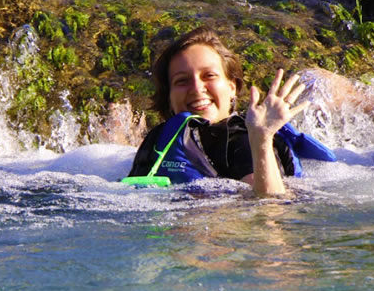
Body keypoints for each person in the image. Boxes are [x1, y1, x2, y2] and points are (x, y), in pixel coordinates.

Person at [125, 27, 335, 196]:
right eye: (182, 81)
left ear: (232, 86)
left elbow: (270, 208)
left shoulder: (241, 139)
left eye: (209, 76)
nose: (197, 88)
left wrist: (262, 139)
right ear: (168, 96)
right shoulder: (162, 139)